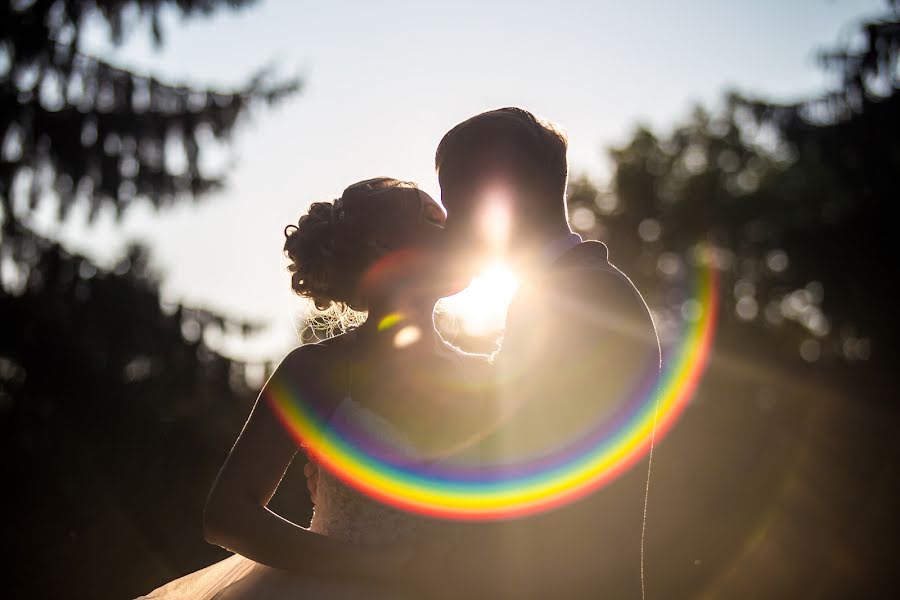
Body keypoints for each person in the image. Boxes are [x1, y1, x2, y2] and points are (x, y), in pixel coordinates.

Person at [304, 108, 661, 599]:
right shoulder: (558, 293)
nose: (451, 227)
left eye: (452, 202)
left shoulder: (582, 299)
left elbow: (522, 468)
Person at [136, 177, 490, 599]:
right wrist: (379, 565)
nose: (456, 231)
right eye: (433, 220)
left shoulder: (486, 374)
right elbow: (227, 515)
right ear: (382, 244)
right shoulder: (315, 370)